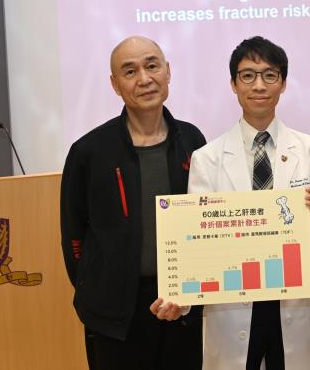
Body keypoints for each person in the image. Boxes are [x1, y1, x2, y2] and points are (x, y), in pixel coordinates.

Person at [152, 36, 310, 370]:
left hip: (292, 300)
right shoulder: (207, 158)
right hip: (232, 305)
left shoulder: (309, 149)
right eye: (248, 76)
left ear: (283, 83)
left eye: (270, 75)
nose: (259, 85)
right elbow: (197, 242)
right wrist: (181, 298)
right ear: (234, 84)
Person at [60, 36, 204, 370]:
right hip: (115, 317)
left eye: (152, 66)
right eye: (130, 71)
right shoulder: (89, 151)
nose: (144, 79)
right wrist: (100, 289)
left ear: (168, 72)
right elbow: (74, 235)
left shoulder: (192, 141)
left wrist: (189, 293)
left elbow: (206, 220)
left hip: (183, 307)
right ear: (115, 84)